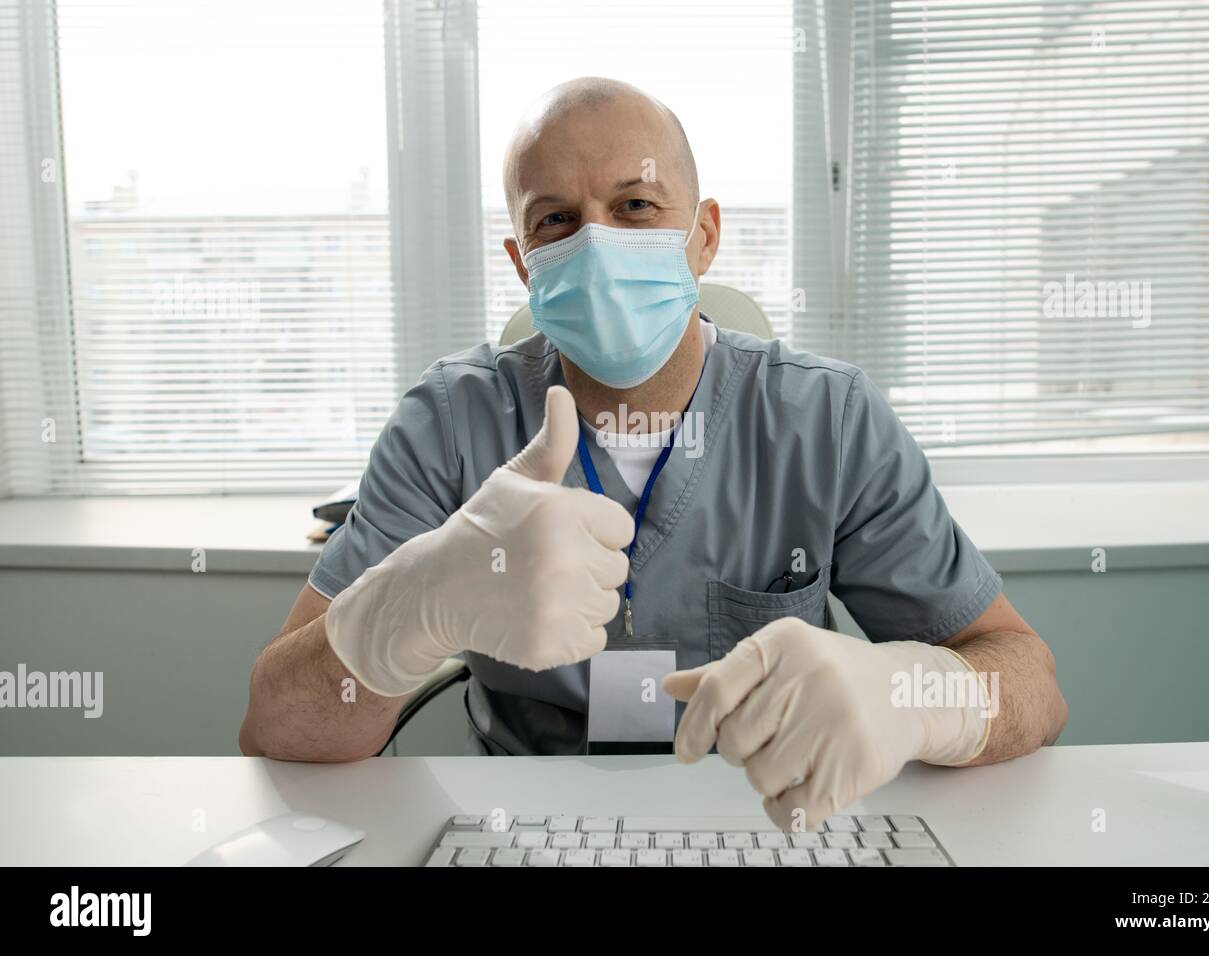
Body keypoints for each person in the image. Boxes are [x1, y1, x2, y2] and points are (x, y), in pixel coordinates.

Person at [240, 77, 1067, 829]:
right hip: (519, 820)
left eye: (635, 207)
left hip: (769, 815)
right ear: (524, 264)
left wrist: (914, 697)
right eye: (556, 220)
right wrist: (412, 609)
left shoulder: (827, 419)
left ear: (703, 238)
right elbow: (276, 726)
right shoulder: (451, 422)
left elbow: (1030, 680)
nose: (596, 246)